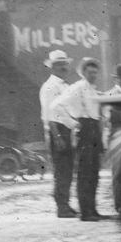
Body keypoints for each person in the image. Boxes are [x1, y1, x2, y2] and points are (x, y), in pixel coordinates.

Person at [51, 57, 104, 221]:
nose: (93, 75)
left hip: (94, 130)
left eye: (96, 72)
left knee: (94, 173)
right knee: (85, 173)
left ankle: (92, 209)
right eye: (90, 72)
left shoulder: (93, 89)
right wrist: (74, 124)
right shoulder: (78, 87)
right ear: (84, 72)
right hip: (85, 130)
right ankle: (85, 212)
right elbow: (56, 107)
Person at [40, 50, 77, 218]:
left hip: (67, 129)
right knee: (61, 170)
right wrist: (58, 137)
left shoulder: (66, 86)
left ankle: (66, 204)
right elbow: (49, 116)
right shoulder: (49, 87)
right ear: (53, 67)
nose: (63, 68)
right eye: (59, 65)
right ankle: (61, 207)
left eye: (64, 64)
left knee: (68, 170)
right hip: (58, 131)